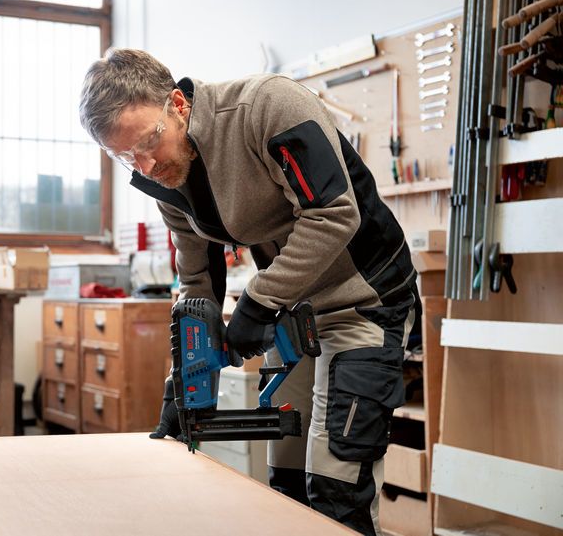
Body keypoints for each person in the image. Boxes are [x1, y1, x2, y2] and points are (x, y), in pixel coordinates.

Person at [79, 48, 420, 536]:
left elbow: (333, 214)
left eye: (149, 142)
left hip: (364, 300)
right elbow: (197, 280)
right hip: (296, 315)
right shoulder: (166, 176)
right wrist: (186, 378)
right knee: (286, 485)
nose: (146, 164)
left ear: (177, 103)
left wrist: (259, 301)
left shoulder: (268, 108)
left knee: (336, 487)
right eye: (124, 154)